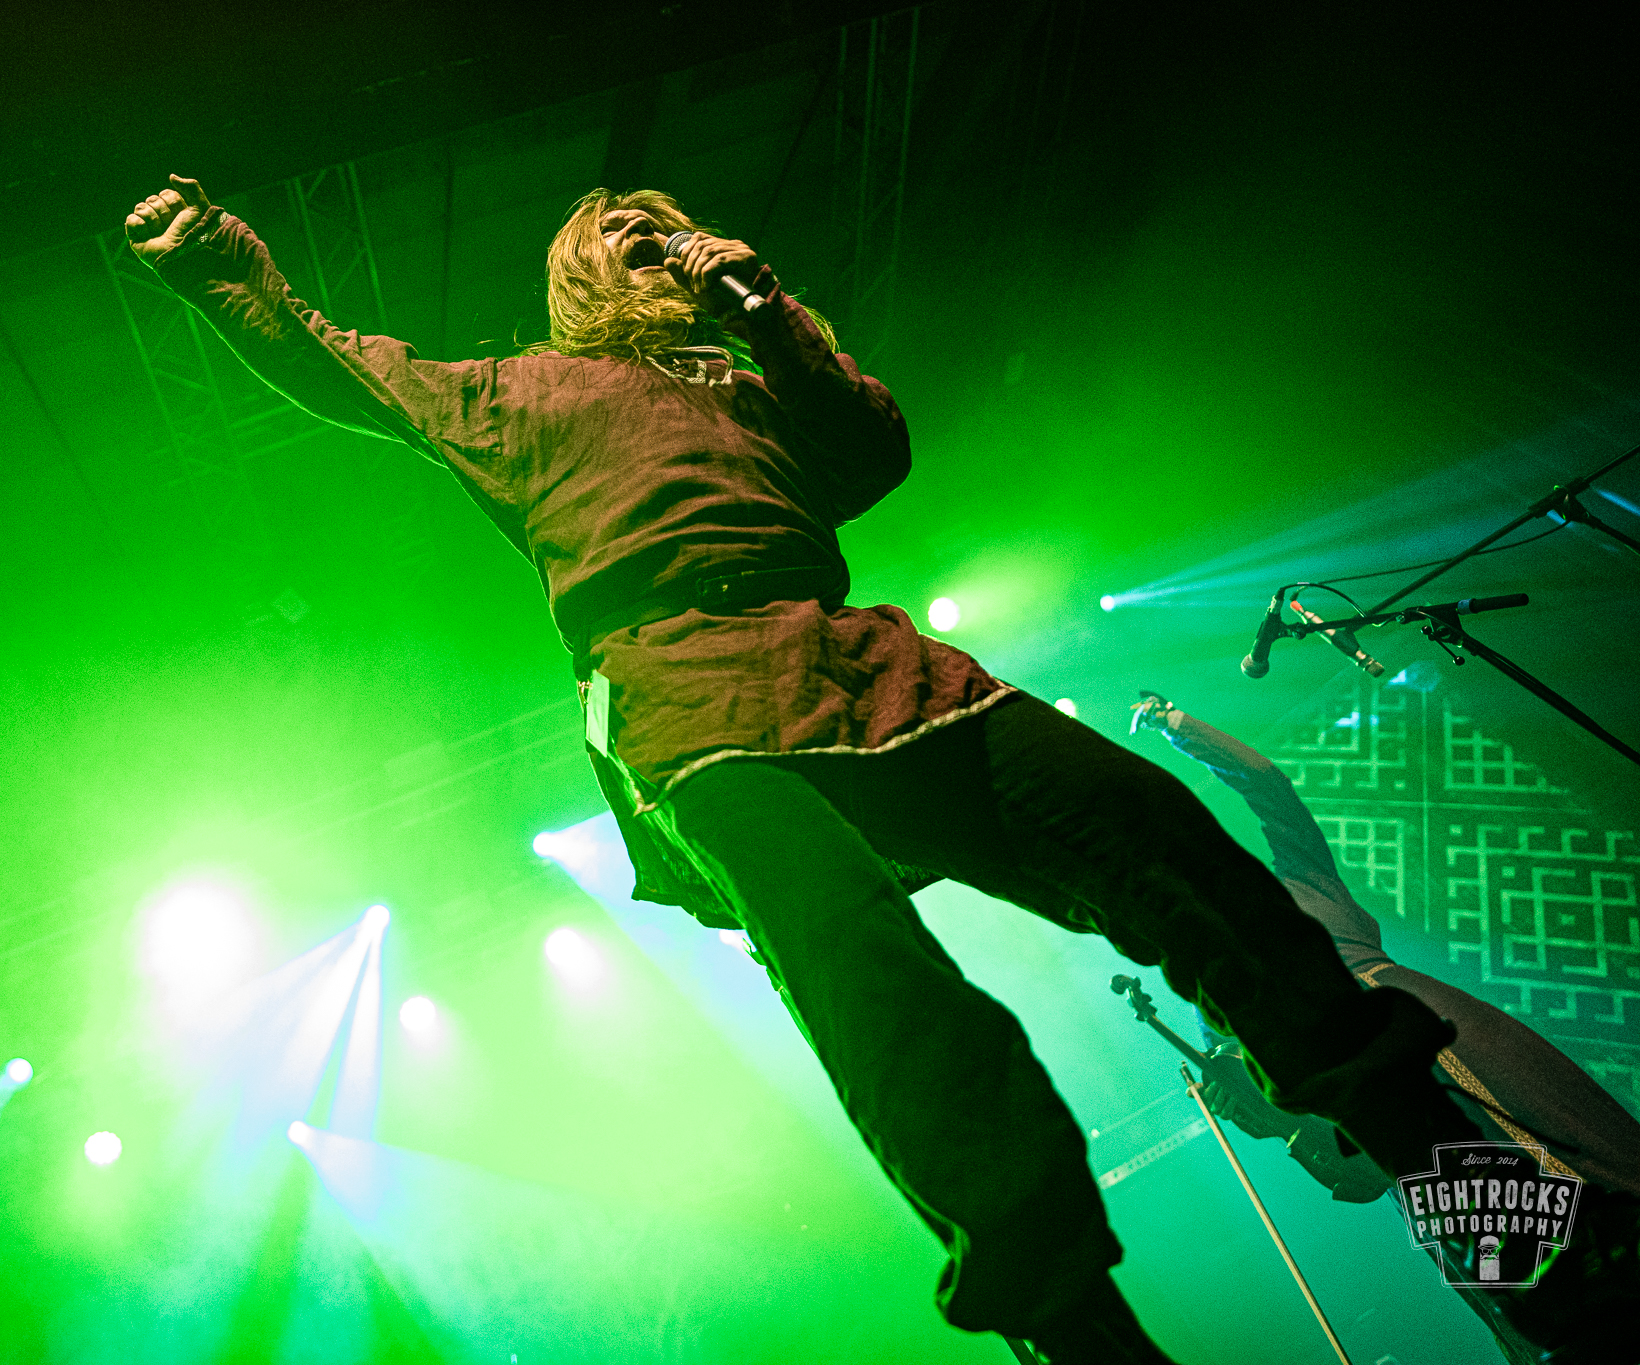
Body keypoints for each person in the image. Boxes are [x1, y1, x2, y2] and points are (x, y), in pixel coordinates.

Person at [122, 175, 1631, 1364]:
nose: (654, 233)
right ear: (583, 276)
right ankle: (1074, 1322)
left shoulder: (751, 385)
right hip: (689, 703)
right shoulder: (520, 391)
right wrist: (227, 270)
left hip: (865, 662)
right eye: (624, 229)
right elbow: (339, 365)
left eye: (665, 221)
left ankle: (1502, 1221)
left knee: (1171, 851)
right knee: (876, 983)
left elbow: (870, 451)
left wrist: (766, 309)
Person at [1129, 691, 1640, 1363]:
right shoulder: (1211, 995)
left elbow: (1268, 785)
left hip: (1438, 1036)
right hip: (1394, 1122)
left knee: (1561, 1158)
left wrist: (1180, 726)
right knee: (1512, 1258)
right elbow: (1342, 1158)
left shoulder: (1301, 884)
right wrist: (1267, 1120)